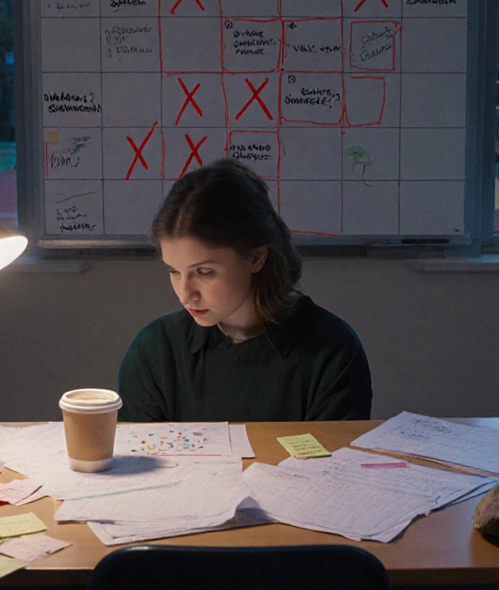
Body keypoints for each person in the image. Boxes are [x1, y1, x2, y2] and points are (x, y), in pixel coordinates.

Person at [118, 158, 372, 423]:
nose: (185, 295)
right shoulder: (155, 351)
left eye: (204, 272)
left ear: (255, 258)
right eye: (174, 271)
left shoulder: (333, 351)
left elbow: (332, 461)